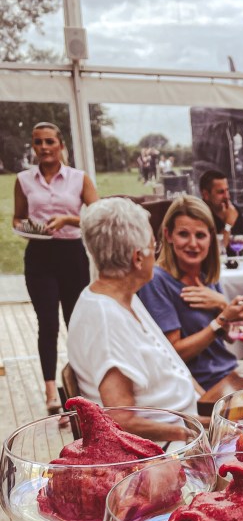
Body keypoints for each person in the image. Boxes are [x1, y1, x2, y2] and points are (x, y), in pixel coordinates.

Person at [67, 198, 198, 413]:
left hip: (189, 419)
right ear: (138, 258)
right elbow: (121, 416)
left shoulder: (123, 296)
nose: (155, 255)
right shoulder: (106, 319)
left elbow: (174, 368)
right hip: (173, 433)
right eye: (154, 247)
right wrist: (195, 428)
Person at [12, 121, 99, 414]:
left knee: (76, 322)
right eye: (38, 142)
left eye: (49, 141)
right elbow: (17, 218)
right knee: (47, 324)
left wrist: (67, 220)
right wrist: (30, 227)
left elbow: (98, 214)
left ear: (61, 145)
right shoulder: (24, 180)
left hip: (72, 254)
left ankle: (80, 386)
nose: (44, 147)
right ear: (33, 146)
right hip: (39, 255)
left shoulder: (79, 178)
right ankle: (51, 390)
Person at [137, 196, 243, 393]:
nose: (193, 244)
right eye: (183, 234)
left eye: (200, 235)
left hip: (229, 374)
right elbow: (173, 354)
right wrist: (221, 320)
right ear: (168, 235)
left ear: (211, 237)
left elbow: (231, 338)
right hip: (199, 388)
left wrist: (224, 305)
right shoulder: (157, 280)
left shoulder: (206, 275)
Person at [199, 169, 243, 250]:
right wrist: (228, 224)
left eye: (227, 190)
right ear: (206, 195)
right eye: (221, 192)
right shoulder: (199, 215)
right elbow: (217, 250)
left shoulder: (234, 210)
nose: (227, 196)